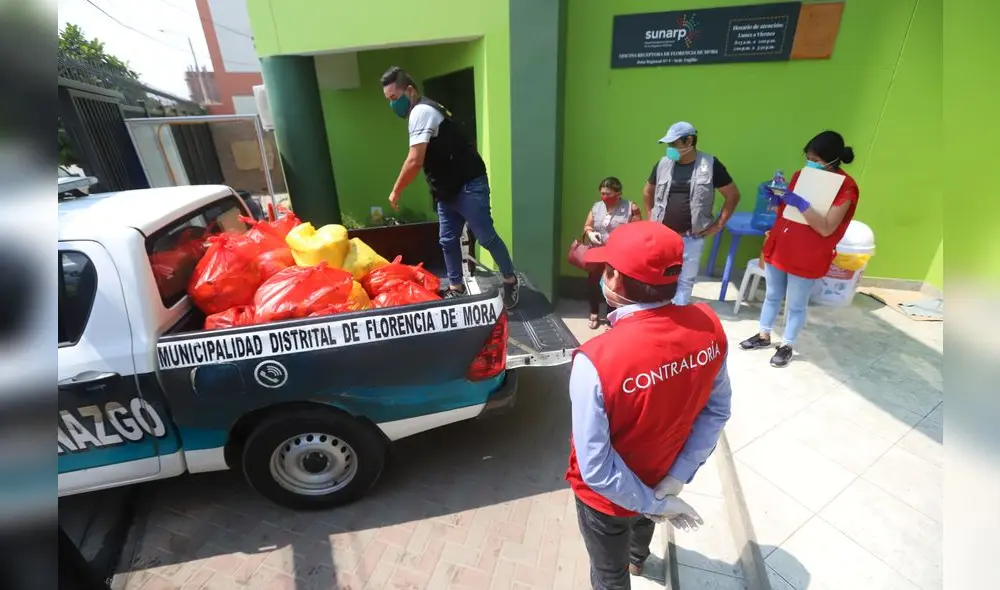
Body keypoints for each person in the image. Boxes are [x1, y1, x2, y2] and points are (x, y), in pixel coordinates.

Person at [567, 221, 733, 589]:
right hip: (662, 475)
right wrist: (675, 479)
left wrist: (654, 503)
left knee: (609, 576)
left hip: (607, 500)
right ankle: (638, 560)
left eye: (606, 269)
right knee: (642, 527)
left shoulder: (595, 360)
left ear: (614, 279)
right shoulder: (709, 326)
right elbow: (717, 410)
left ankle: (631, 562)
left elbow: (596, 468)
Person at [380, 66, 520, 309]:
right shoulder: (422, 111)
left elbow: (415, 160)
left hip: (468, 183)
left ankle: (510, 279)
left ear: (410, 91)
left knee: (486, 237)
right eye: (388, 100)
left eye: (395, 97)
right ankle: (456, 287)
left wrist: (396, 190)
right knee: (448, 240)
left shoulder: (422, 111)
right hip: (446, 190)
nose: (392, 104)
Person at [739, 130, 860, 367]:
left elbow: (826, 227)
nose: (810, 164)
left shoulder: (846, 188)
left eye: (816, 160)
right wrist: (776, 199)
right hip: (781, 245)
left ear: (832, 159)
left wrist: (802, 204)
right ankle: (764, 334)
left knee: (795, 303)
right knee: (772, 294)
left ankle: (787, 344)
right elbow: (784, 213)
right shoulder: (800, 176)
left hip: (808, 252)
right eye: (808, 158)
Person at [643, 121, 741, 306]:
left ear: (689, 141)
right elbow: (648, 191)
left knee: (685, 281)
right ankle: (659, 314)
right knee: (658, 277)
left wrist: (718, 225)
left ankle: (679, 315)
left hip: (691, 238)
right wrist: (650, 216)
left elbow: (733, 195)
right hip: (662, 236)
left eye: (674, 144)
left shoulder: (710, 164)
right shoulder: (663, 164)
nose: (670, 149)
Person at [582, 177, 641, 329]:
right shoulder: (597, 207)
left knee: (614, 285)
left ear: (618, 193)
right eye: (602, 193)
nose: (604, 197)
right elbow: (588, 226)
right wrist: (590, 234)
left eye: (608, 194)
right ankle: (594, 312)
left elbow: (637, 230)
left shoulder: (631, 207)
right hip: (597, 252)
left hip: (618, 254)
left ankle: (610, 317)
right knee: (593, 283)